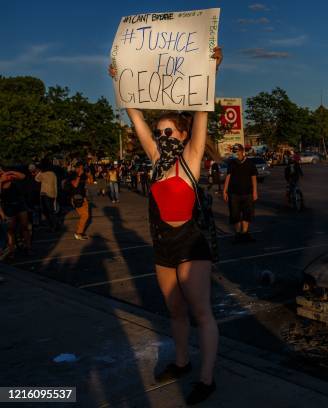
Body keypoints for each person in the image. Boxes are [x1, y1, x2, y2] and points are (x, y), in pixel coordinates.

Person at [109, 46, 222, 406]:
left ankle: (206, 379)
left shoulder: (191, 159)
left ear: (185, 134)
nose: (163, 135)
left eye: (170, 130)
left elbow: (202, 109)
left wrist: (211, 68)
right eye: (160, 131)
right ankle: (182, 361)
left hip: (190, 244)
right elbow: (135, 116)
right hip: (163, 245)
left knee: (201, 312)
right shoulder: (156, 160)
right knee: (174, 310)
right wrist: (120, 82)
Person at [223, 144, 258, 243]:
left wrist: (255, 191)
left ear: (242, 151)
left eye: (237, 151)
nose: (236, 153)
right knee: (235, 214)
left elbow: (254, 178)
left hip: (248, 193)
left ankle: (245, 234)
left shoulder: (250, 163)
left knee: (247, 214)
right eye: (234, 151)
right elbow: (228, 176)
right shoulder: (232, 163)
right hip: (234, 193)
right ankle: (238, 235)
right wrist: (224, 190)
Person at [0, 167, 30, 260]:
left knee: (25, 227)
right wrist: (1, 180)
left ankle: (27, 247)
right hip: (8, 207)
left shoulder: (12, 177)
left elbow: (23, 176)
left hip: (20, 205)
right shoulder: (1, 182)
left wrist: (10, 172)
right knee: (10, 230)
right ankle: (11, 251)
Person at [64, 162, 90, 240]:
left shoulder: (83, 175)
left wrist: (89, 174)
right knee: (84, 215)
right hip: (76, 198)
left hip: (83, 198)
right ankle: (78, 233)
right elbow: (75, 185)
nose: (82, 169)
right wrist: (78, 175)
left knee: (86, 215)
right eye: (81, 168)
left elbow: (90, 182)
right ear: (77, 168)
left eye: (83, 168)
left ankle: (80, 232)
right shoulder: (72, 175)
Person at [34, 160, 59, 232]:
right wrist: (56, 195)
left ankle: (53, 226)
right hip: (52, 194)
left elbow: (36, 179)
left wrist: (40, 172)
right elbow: (55, 184)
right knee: (51, 211)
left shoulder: (42, 174)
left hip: (44, 194)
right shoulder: (53, 173)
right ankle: (54, 225)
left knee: (46, 211)